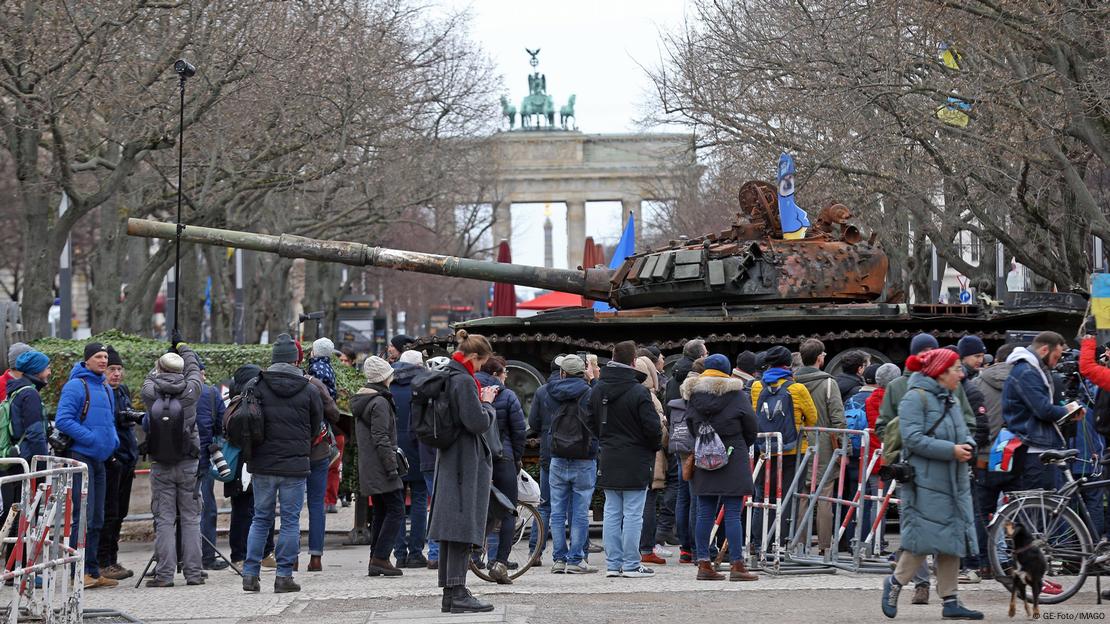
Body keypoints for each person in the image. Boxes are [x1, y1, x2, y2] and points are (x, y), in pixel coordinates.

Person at [880, 348, 982, 621]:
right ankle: (894, 584)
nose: (961, 374)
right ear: (941, 371)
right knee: (922, 540)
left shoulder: (950, 398)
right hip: (925, 482)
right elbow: (912, 439)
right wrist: (952, 450)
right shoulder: (915, 398)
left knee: (952, 539)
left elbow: (964, 432)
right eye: (956, 369)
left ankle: (950, 600)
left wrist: (969, 446)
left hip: (953, 481)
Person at [241, 334, 323, 594]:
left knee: (260, 519)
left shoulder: (255, 385)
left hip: (263, 463)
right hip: (294, 465)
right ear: (295, 360)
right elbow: (315, 425)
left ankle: (250, 574)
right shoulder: (309, 388)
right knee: (290, 521)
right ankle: (284, 576)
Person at [428, 330, 497, 614]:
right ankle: (457, 593)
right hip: (463, 462)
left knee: (450, 526)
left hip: (450, 459)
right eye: (482, 363)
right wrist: (488, 404)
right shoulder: (464, 381)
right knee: (460, 524)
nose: (481, 368)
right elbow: (476, 422)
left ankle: (451, 591)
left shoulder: (448, 375)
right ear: (473, 357)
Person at [592, 340, 663, 578]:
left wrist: (604, 440)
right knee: (633, 513)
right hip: (636, 457)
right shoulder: (638, 391)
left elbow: (589, 419)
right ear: (634, 362)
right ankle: (632, 564)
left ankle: (613, 565)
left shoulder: (598, 389)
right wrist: (652, 447)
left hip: (609, 456)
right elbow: (653, 429)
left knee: (612, 512)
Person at [686, 354, 759, 581]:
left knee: (704, 512)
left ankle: (703, 564)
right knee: (733, 513)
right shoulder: (736, 394)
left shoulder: (693, 395)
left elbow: (690, 426)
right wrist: (736, 445)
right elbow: (751, 427)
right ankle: (737, 565)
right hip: (733, 455)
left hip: (704, 455)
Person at [140, 343, 206, 587]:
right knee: (190, 518)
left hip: (161, 463)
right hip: (189, 461)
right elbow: (193, 370)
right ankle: (194, 573)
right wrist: (184, 348)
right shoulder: (192, 390)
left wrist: (162, 358)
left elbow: (150, 376)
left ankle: (164, 574)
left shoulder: (150, 391)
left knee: (165, 519)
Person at [56, 341, 120, 589]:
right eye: (98, 356)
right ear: (87, 360)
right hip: (82, 456)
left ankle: (92, 571)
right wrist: (92, 439)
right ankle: (77, 572)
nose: (103, 361)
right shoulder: (76, 385)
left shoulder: (105, 387)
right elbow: (63, 420)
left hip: (100, 459)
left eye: (105, 356)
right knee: (82, 517)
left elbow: (110, 421)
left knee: (96, 518)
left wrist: (110, 442)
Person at [749, 345, 818, 552]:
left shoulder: (756, 387)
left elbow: (755, 414)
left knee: (764, 497)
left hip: (766, 450)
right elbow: (813, 418)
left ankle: (760, 542)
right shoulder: (797, 389)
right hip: (792, 451)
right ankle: (781, 542)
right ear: (788, 364)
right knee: (787, 497)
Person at [352, 356, 406, 577]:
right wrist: (391, 465)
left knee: (382, 510)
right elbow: (381, 437)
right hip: (381, 465)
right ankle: (381, 558)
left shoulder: (365, 398)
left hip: (370, 465)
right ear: (385, 376)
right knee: (396, 510)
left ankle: (376, 558)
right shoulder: (380, 402)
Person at [1002, 331, 1074, 491]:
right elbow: (1043, 410)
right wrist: (1067, 410)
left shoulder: (1029, 369)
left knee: (1043, 505)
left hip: (1035, 443)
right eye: (1055, 357)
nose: (1056, 363)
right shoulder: (1027, 371)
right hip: (1033, 445)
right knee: (1038, 505)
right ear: (1043, 350)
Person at [794, 338, 847, 554]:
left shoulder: (793, 382)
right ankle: (825, 546)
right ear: (819, 358)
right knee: (825, 496)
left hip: (800, 443)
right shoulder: (828, 383)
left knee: (802, 495)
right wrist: (845, 447)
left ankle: (799, 543)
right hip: (825, 443)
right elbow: (837, 417)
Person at [1, 350, 50, 564]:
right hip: (28, 463)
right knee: (25, 515)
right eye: (47, 367)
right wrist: (43, 462)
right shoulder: (29, 394)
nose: (49, 372)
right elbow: (35, 433)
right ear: (36, 370)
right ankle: (18, 567)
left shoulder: (16, 391)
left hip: (17, 461)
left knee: (19, 513)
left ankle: (15, 565)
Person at [225, 365, 273, 568]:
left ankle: (244, 554)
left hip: (242, 463)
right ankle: (254, 553)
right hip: (251, 462)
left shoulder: (234, 405)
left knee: (245, 509)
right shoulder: (247, 404)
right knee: (255, 509)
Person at [99, 347, 140, 581]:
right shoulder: (102, 392)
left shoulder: (122, 390)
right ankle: (104, 562)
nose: (116, 374)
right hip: (111, 462)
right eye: (112, 369)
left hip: (127, 461)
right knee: (109, 513)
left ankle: (112, 560)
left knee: (120, 513)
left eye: (119, 369)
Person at [524, 355, 567, 563]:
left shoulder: (541, 391)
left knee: (545, 505)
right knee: (574, 506)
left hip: (549, 450)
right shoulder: (580, 389)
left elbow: (533, 422)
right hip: (575, 451)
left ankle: (535, 551)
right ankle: (576, 553)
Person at [303, 342, 341, 572]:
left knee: (292, 506)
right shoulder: (324, 376)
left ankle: (290, 558)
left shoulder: (311, 376)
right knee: (317, 504)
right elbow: (333, 411)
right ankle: (315, 556)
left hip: (294, 451)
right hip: (318, 444)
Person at [392, 350, 429, 568]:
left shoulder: (389, 383)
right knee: (419, 500)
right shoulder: (423, 384)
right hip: (418, 447)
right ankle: (416, 552)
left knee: (396, 503)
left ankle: (399, 554)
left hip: (393, 447)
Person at [635, 355, 670, 567]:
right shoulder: (649, 397)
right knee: (648, 502)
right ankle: (646, 548)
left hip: (632, 456)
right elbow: (658, 430)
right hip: (651, 456)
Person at [194, 358, 228, 572]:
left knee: (169, 512)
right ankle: (206, 556)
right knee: (206, 508)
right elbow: (222, 424)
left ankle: (169, 559)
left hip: (170, 460)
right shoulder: (211, 393)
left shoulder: (166, 389)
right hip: (203, 458)